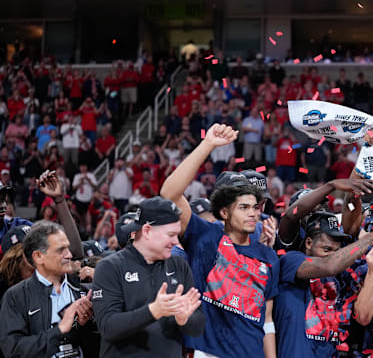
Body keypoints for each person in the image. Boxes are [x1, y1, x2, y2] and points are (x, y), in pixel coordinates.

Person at [160, 124, 280, 358]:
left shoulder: (269, 256)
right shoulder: (205, 236)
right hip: (208, 352)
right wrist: (208, 144)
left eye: (255, 207)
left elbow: (266, 320)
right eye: (243, 207)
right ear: (224, 212)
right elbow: (169, 193)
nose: (253, 213)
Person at [92, 197, 205, 357]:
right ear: (146, 231)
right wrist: (154, 311)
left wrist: (184, 319)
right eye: (171, 234)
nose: (176, 242)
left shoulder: (179, 266)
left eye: (177, 235)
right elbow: (108, 327)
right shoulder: (110, 267)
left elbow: (198, 326)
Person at [274, 212, 373, 357]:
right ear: (309, 243)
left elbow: (363, 317)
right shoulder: (292, 261)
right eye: (326, 250)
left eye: (337, 251)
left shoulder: (341, 277)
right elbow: (330, 265)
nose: (333, 255)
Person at [0, 222, 98, 357]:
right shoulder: (16, 296)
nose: (69, 255)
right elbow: (13, 350)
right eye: (60, 250)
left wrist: (85, 325)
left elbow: (100, 346)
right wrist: (59, 330)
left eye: (68, 248)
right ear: (39, 256)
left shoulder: (83, 290)